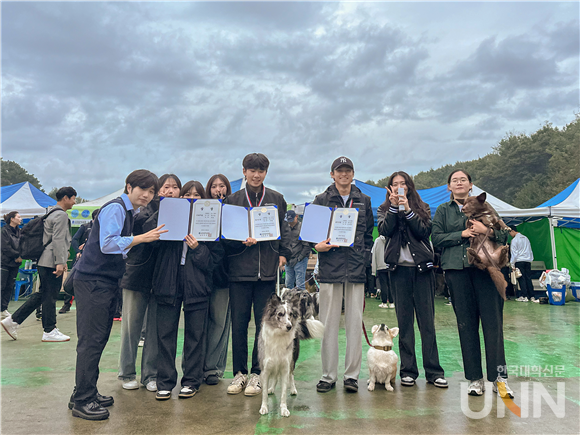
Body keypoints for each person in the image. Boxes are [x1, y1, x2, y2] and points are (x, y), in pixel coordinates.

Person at [70, 170, 166, 420]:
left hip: (104, 280)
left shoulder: (129, 211)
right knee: (91, 340)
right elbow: (108, 244)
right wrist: (141, 238)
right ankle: (82, 400)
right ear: (128, 187)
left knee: (97, 339)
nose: (146, 195)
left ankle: (84, 391)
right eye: (142, 189)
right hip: (94, 281)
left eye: (151, 191)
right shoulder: (116, 208)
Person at [432, 169, 513, 398]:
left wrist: (485, 230)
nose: (459, 183)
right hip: (458, 273)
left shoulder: (486, 207)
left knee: (493, 325)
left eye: (463, 180)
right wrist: (463, 233)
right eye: (454, 180)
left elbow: (504, 234)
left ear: (471, 185)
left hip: (487, 272)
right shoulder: (443, 211)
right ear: (449, 187)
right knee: (466, 326)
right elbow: (435, 238)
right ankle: (475, 379)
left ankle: (499, 378)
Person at [224, 153, 291, 397]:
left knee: (263, 327)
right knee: (239, 325)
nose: (256, 175)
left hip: (266, 275)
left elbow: (284, 231)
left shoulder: (276, 199)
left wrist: (284, 254)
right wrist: (241, 243)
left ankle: (256, 374)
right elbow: (226, 241)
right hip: (239, 273)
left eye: (261, 170)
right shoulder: (232, 200)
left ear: (266, 173)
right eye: (251, 170)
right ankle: (239, 373)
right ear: (243, 171)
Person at [149, 180, 220, 400]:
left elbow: (214, 262)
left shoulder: (210, 224)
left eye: (197, 195)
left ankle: (191, 381)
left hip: (197, 286)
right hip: (168, 284)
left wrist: (198, 248)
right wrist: (165, 210)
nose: (191, 198)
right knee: (165, 335)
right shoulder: (167, 218)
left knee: (196, 336)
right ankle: (165, 382)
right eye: (187, 194)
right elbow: (151, 244)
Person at [377, 171, 447, 388]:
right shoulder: (383, 208)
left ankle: (434, 372)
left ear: (409, 186)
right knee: (404, 323)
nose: (399, 187)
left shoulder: (421, 206)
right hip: (399, 271)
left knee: (427, 323)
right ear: (389, 188)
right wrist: (392, 208)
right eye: (395, 184)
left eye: (403, 184)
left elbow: (424, 231)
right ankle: (408, 371)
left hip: (422, 271)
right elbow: (384, 230)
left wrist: (407, 209)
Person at [312, 156, 373, 394]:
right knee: (328, 324)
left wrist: (364, 258)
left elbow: (368, 235)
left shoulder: (364, 201)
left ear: (353, 174)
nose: (344, 175)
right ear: (332, 174)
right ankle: (328, 375)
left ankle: (352, 376)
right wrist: (317, 247)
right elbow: (311, 236)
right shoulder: (321, 200)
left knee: (353, 324)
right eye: (340, 171)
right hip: (330, 269)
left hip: (356, 269)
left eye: (348, 171)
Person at [118, 174, 181, 393]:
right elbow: (140, 230)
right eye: (165, 187)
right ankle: (126, 372)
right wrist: (163, 210)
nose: (170, 191)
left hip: (162, 279)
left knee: (154, 330)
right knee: (131, 327)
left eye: (174, 187)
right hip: (137, 277)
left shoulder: (181, 214)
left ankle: (150, 374)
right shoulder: (143, 209)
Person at [2, 187, 77, 342]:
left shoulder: (50, 213)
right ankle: (49, 330)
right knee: (50, 295)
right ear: (65, 198)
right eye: (73, 198)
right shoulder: (61, 215)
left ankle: (13, 321)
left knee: (43, 294)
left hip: (44, 260)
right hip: (52, 261)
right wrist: (60, 262)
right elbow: (58, 240)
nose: (74, 202)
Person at [203, 174, 232, 386]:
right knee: (209, 322)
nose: (218, 189)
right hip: (205, 274)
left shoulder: (232, 212)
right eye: (214, 186)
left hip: (227, 274)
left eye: (222, 186)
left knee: (222, 323)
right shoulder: (203, 211)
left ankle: (214, 368)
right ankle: (204, 366)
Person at [59, 209, 99, 314]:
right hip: (81, 259)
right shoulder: (85, 227)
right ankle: (66, 304)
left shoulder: (103, 228)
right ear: (94, 218)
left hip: (95, 261)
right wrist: (78, 251)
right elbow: (75, 239)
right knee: (73, 280)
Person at [1, 211, 23, 319]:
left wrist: (21, 256)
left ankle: (3, 309)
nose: (20, 219)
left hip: (15, 264)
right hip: (4, 263)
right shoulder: (4, 231)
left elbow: (22, 245)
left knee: (10, 286)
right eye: (18, 217)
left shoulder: (20, 232)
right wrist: (17, 256)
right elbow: (5, 247)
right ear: (12, 219)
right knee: (2, 286)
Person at [284, 210, 311, 290]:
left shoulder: (302, 228)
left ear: (296, 216)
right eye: (288, 221)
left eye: (291, 220)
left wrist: (299, 258)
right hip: (288, 260)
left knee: (300, 284)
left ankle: (301, 302)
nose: (290, 223)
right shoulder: (285, 228)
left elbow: (307, 246)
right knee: (288, 284)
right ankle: (289, 302)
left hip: (300, 259)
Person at [508, 226, 536, 303]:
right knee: (528, 278)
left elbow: (514, 253)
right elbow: (530, 250)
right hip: (527, 261)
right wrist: (530, 259)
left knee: (521, 279)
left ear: (512, 231)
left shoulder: (514, 240)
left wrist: (512, 264)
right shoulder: (526, 238)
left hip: (519, 261)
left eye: (509, 232)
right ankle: (532, 296)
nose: (510, 234)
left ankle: (524, 296)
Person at [371, 235, 394, 309]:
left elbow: (373, 253)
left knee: (383, 285)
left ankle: (384, 303)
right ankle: (391, 303)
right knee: (391, 284)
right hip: (390, 264)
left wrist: (374, 270)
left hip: (380, 266)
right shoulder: (392, 238)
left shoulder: (377, 240)